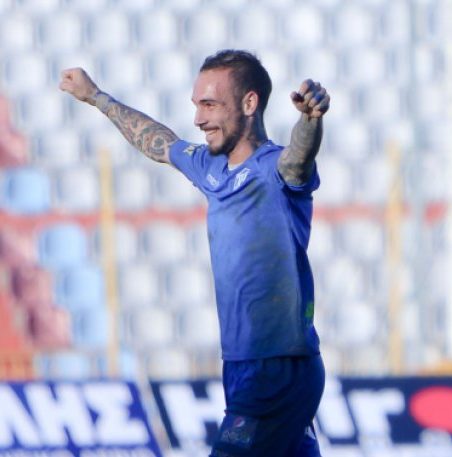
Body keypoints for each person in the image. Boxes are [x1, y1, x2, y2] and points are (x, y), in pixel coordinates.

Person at [60, 49, 329, 457]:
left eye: (210, 105)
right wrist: (96, 96)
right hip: (241, 365)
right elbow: (159, 142)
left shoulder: (273, 169)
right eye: (196, 105)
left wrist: (310, 120)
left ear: (249, 103)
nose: (199, 119)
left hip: (277, 367)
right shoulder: (210, 168)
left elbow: (299, 158)